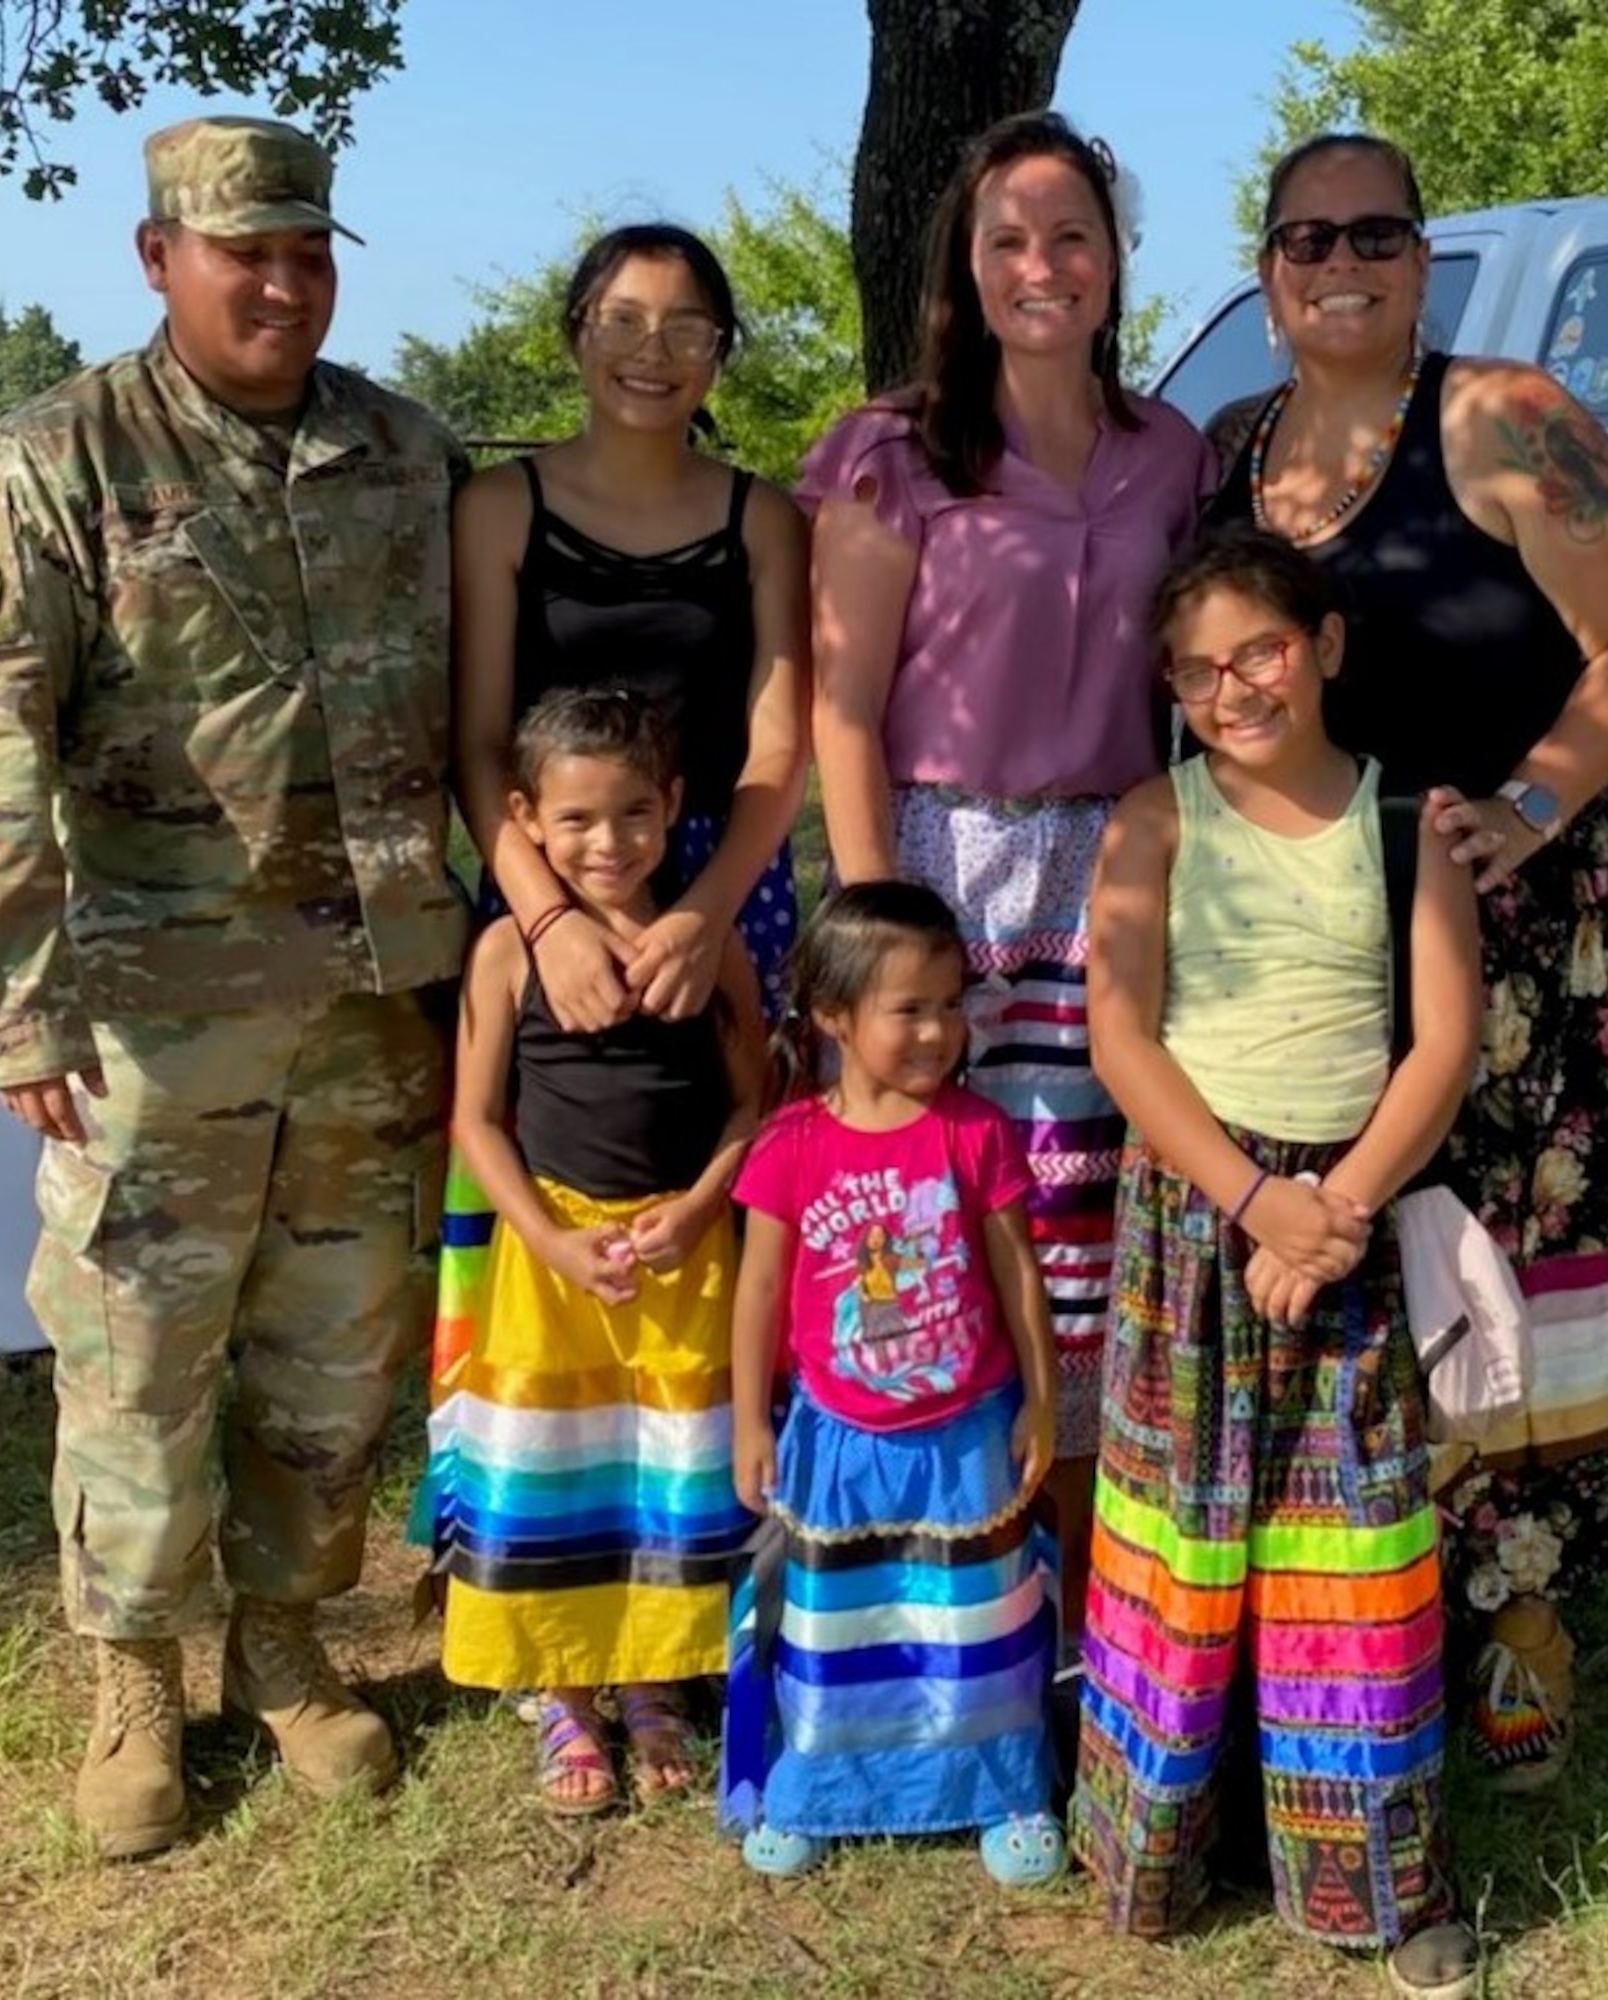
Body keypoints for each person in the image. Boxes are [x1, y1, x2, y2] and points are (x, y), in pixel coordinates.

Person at [0, 116, 471, 1859]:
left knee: (336, 1351)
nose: (283, 283)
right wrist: (13, 993)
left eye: (308, 251)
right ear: (162, 260)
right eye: (246, 254)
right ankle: (136, 1674)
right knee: (138, 1357)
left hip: (380, 1005)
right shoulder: (53, 458)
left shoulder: (404, 452)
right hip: (155, 1018)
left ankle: (290, 1639)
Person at [1207, 133, 1608, 1785]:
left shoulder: (1505, 419)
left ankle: (1522, 1612)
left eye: (1378, 233)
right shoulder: (1229, 447)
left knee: (1505, 1259)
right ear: (1263, 267)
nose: (1340, 261)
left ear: (1424, 259)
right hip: (1297, 940)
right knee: (1337, 1243)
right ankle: (1349, 1579)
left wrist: (1540, 800)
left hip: (1498, 921)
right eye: (1305, 236)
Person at [802, 111, 1212, 1639]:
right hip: (938, 860)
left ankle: (1081, 1551)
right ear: (963, 271)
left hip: (1106, 864)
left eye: (1069, 235)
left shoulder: (1169, 451)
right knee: (931, 1199)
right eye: (1006, 240)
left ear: (1110, 262)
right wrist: (874, 936)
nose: (1039, 265)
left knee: (1079, 1218)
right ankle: (929, 1546)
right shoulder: (891, 450)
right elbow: (842, 704)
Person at [1073, 526, 1483, 1998]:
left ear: (1322, 645)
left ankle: (1369, 1878)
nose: (1229, 686)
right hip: (1195, 1223)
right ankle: (1155, 1847)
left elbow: (1442, 1041)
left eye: (1255, 650)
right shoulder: (1153, 820)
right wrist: (1252, 1201)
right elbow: (1119, 1033)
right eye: (1193, 670)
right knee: (1181, 1540)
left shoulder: (1401, 828)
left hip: (1349, 1229)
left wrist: (1335, 1209)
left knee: (1350, 1553)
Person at [419, 223, 808, 1564]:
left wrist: (706, 910)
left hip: (719, 886)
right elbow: (475, 743)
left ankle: (704, 1542)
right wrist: (543, 918)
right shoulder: (498, 508)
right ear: (576, 330)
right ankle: (527, 1528)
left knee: (714, 1206)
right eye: (625, 320)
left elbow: (775, 748)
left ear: (719, 352)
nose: (653, 353)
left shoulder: (763, 517)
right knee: (540, 1198)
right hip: (546, 874)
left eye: (687, 327)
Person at [434, 686, 765, 1813]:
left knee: (665, 1466)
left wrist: (701, 1205)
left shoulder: (711, 949)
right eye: (575, 820)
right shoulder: (505, 956)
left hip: (686, 1257)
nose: (607, 841)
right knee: (557, 1468)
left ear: (674, 806)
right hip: (555, 1265)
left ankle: (654, 1675)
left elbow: (752, 1106)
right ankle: (569, 1693)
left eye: (633, 813)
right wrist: (554, 1241)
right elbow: (477, 1120)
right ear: (524, 818)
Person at [721, 882, 1064, 1886]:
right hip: (841, 1435)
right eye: (909, 1008)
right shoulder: (789, 1144)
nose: (939, 1029)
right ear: (833, 1015)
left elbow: (1018, 1278)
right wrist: (749, 1417)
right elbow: (759, 1292)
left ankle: (1003, 1783)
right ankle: (821, 1786)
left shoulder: (979, 1131)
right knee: (844, 1623)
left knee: (976, 1621)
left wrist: (1042, 1399)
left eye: (951, 1003)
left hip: (967, 1431)